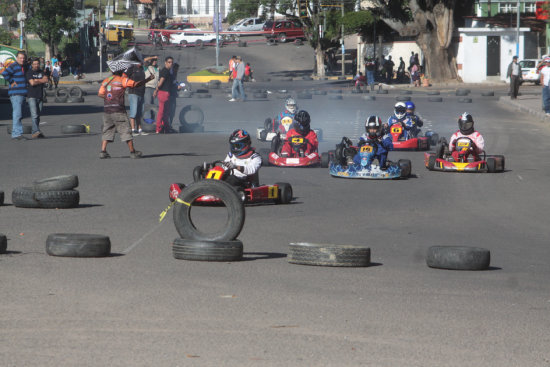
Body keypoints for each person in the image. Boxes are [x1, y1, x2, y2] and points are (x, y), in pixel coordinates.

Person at [98, 65, 154, 158]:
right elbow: (136, 84)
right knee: (126, 131)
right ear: (120, 71)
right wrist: (148, 79)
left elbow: (100, 94)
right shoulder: (122, 80)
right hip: (118, 110)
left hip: (107, 110)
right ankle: (133, 152)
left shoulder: (106, 81)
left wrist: (109, 99)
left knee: (107, 130)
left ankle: (103, 151)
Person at [1, 51, 28, 140]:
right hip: (16, 94)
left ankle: (16, 132)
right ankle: (17, 134)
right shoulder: (13, 66)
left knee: (20, 114)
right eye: (20, 58)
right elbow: (4, 73)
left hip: (22, 93)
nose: (22, 59)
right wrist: (12, 81)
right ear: (16, 58)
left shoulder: (23, 67)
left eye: (23, 58)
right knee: (17, 114)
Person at [25, 58, 49, 139]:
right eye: (34, 64)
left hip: (40, 96)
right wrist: (41, 80)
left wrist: (37, 80)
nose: (36, 65)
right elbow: (32, 83)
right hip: (32, 96)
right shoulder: (29, 72)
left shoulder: (42, 72)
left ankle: (35, 131)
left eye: (37, 64)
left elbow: (46, 80)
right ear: (32, 65)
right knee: (34, 115)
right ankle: (36, 131)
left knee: (38, 116)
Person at [153, 56, 175, 133]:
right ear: (165, 62)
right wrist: (156, 90)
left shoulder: (169, 71)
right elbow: (160, 82)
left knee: (166, 112)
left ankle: (166, 128)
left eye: (172, 62)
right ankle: (158, 128)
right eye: (169, 62)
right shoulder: (165, 71)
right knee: (161, 111)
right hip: (163, 92)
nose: (171, 64)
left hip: (167, 93)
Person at [126, 61, 147, 135]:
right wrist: (131, 83)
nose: (141, 62)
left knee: (140, 112)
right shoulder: (131, 68)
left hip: (141, 93)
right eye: (139, 61)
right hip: (133, 92)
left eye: (141, 61)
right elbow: (125, 78)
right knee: (133, 112)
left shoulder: (142, 68)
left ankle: (140, 129)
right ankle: (133, 129)